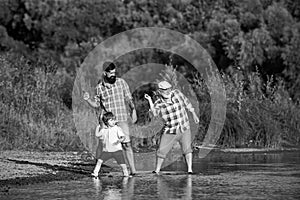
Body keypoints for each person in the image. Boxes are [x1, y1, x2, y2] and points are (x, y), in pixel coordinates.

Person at [84, 61, 137, 175]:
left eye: (114, 72)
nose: (113, 74)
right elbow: (97, 105)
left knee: (126, 144)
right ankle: (98, 168)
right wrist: (88, 99)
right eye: (111, 73)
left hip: (122, 117)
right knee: (103, 144)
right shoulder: (99, 88)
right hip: (107, 121)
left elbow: (129, 99)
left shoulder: (121, 83)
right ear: (104, 73)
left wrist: (134, 110)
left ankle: (133, 171)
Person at [144, 80, 199, 174]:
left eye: (168, 89)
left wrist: (194, 114)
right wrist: (149, 100)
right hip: (170, 130)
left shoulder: (177, 93)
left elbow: (187, 102)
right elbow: (153, 115)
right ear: (160, 91)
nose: (167, 91)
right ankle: (157, 170)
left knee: (187, 149)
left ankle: (190, 169)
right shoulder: (159, 103)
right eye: (165, 90)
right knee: (161, 151)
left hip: (184, 127)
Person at [91, 112, 130, 177]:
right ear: (106, 121)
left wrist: (119, 140)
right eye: (111, 120)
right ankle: (95, 173)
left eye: (114, 120)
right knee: (99, 161)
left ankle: (126, 174)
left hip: (117, 150)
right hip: (107, 151)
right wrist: (98, 127)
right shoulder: (103, 130)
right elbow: (97, 135)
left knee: (122, 164)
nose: (113, 121)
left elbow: (123, 137)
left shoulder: (117, 128)